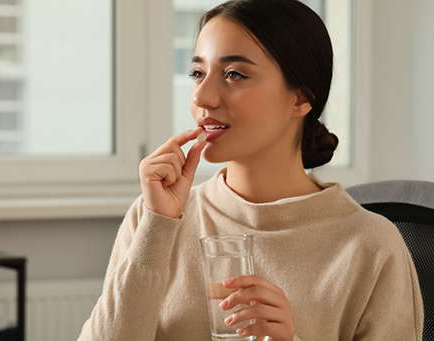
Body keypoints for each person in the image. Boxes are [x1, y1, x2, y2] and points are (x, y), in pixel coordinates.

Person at [78, 0, 424, 340]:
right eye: (198, 73)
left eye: (234, 74)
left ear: (301, 99)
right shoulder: (154, 216)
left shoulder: (371, 247)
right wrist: (157, 226)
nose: (202, 97)